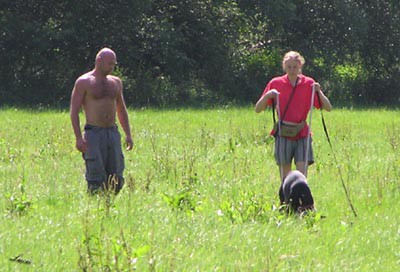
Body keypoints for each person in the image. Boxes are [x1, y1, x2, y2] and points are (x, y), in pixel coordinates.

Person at [255, 51, 332, 181]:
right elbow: (258, 109)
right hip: (283, 132)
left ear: (300, 67)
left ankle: (300, 199)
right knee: (285, 176)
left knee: (301, 175)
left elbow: (328, 107)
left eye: (295, 67)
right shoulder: (276, 83)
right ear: (284, 67)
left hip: (302, 132)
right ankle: (286, 199)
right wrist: (268, 95)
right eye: (289, 67)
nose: (292, 70)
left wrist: (319, 91)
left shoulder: (309, 83)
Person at [70, 47, 133, 194]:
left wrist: (128, 134)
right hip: (93, 133)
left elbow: (121, 109)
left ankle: (110, 205)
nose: (112, 67)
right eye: (110, 64)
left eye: (114, 64)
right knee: (96, 175)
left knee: (116, 174)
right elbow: (74, 111)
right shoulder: (84, 82)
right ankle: (95, 205)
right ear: (99, 61)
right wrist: (79, 138)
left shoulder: (116, 82)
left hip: (112, 132)